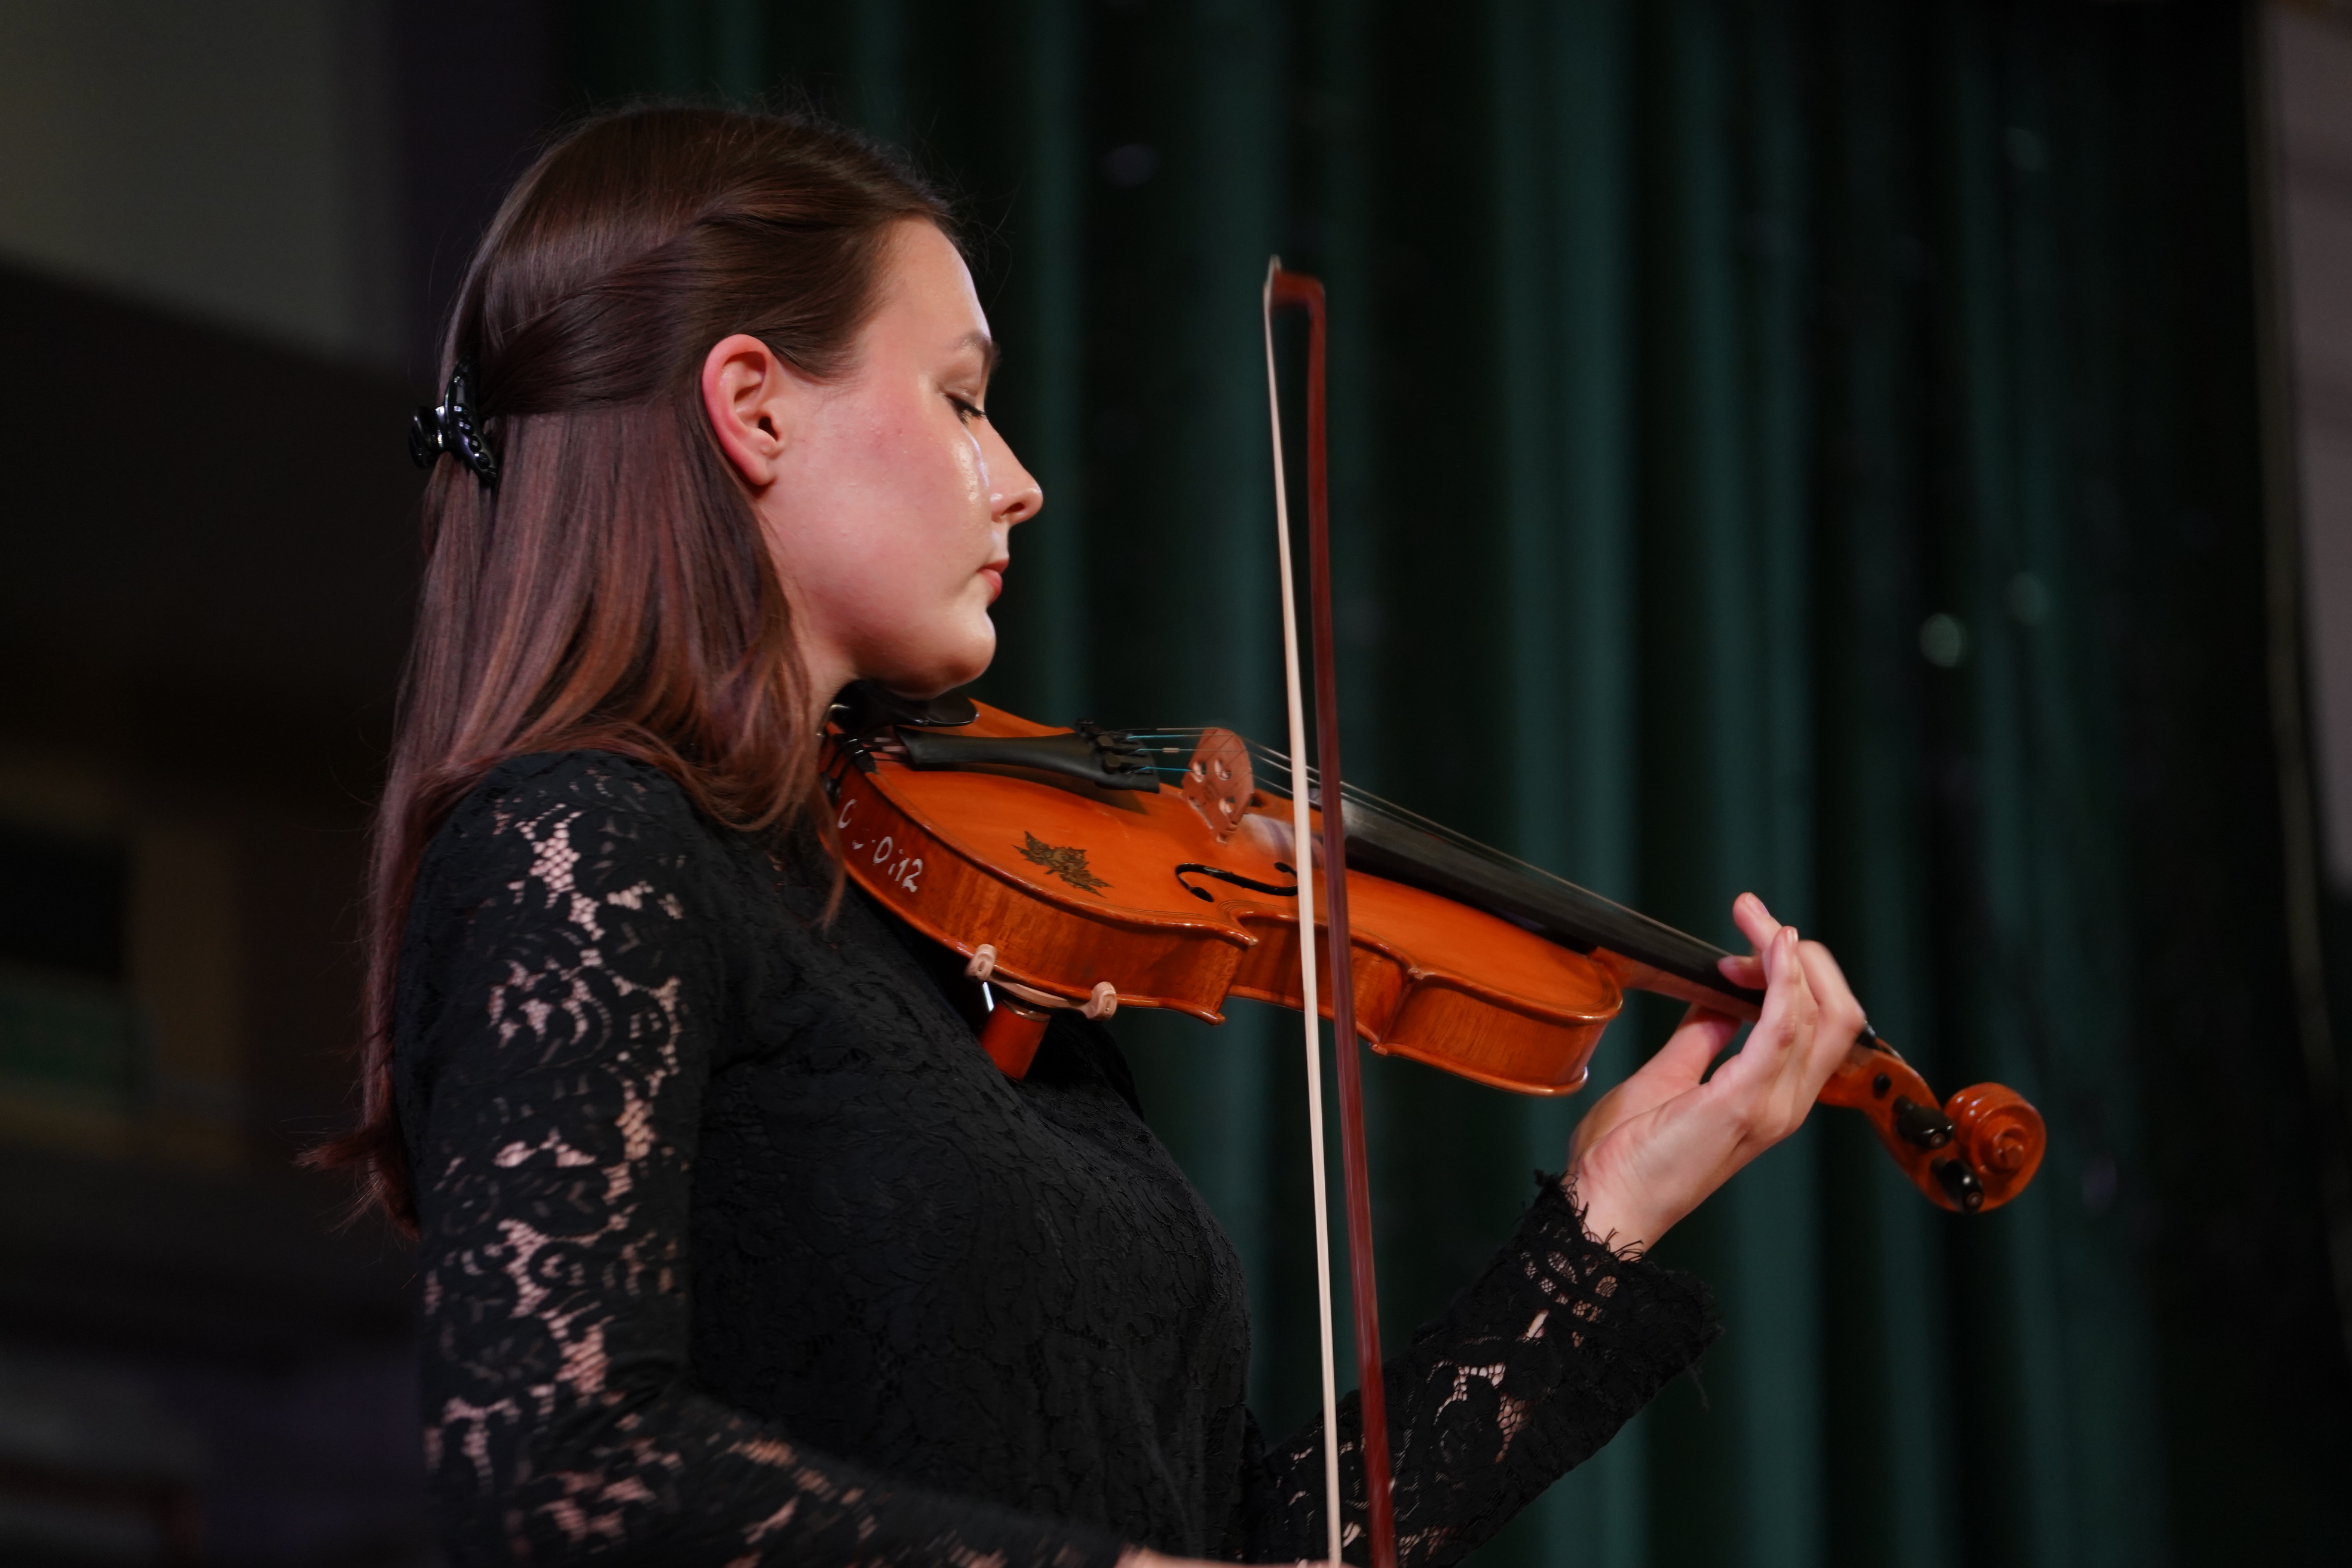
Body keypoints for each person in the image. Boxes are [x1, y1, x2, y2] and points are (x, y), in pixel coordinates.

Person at [315, 103, 1868, 1568]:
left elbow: (1228, 1540)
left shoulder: (958, 935)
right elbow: (558, 1473)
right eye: (963, 400)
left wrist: (1605, 1223)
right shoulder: (580, 843)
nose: (1022, 482)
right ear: (754, 406)